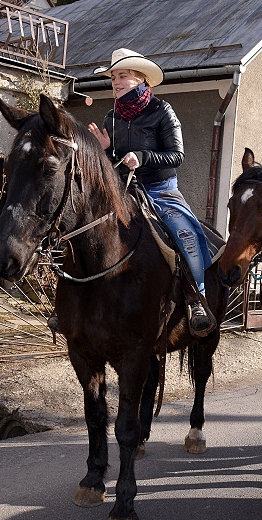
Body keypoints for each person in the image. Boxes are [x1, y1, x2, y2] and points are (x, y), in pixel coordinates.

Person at [88, 48, 215, 336]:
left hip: (161, 190)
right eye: (113, 78)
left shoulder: (162, 111)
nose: (116, 82)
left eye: (122, 76)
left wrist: (143, 157)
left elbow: (177, 155)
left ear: (141, 79)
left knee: (186, 234)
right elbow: (113, 165)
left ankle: (197, 299)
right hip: (124, 190)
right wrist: (106, 151)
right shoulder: (111, 117)